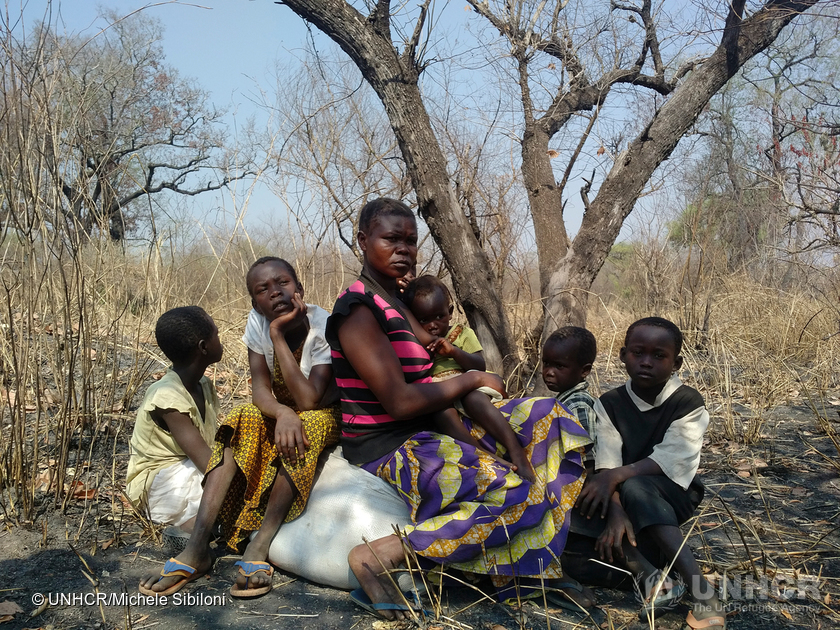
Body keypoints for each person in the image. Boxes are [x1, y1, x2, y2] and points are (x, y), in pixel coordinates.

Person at [325, 197, 593, 620]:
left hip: (432, 419)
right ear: (362, 240)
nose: (404, 249)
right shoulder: (357, 308)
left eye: (411, 241)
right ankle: (379, 556)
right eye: (390, 239)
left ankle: (528, 560)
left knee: (552, 418)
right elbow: (399, 401)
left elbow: (434, 367)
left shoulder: (396, 299)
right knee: (514, 489)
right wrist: (470, 379)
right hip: (390, 441)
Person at [139, 257, 340, 599]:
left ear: (300, 289)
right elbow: (261, 390)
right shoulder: (257, 322)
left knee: (310, 422)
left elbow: (309, 400)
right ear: (254, 303)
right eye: (263, 289)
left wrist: (278, 334)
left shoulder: (323, 325)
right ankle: (198, 546)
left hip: (324, 412)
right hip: (284, 412)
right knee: (242, 416)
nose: (275, 292)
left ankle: (260, 543)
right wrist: (280, 412)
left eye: (283, 283)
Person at [574, 317, 724, 629]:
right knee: (571, 518)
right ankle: (654, 576)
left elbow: (671, 460)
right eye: (637, 353)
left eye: (659, 356)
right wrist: (615, 513)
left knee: (637, 486)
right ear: (622, 354)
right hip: (620, 498)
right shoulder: (610, 403)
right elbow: (605, 465)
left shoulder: (687, 401)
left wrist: (616, 478)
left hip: (670, 495)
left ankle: (702, 592)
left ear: (676, 362)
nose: (646, 362)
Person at [403, 274, 534, 481]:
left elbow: (479, 364)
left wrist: (454, 352)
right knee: (441, 413)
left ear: (450, 312)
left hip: (469, 384)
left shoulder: (460, 333)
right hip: (441, 391)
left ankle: (516, 450)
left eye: (439, 316)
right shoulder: (417, 341)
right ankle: (485, 455)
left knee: (474, 399)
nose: (433, 325)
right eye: (423, 320)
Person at [126, 306, 223, 532]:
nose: (220, 339)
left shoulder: (204, 385)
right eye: (216, 334)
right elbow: (208, 463)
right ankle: (191, 529)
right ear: (203, 347)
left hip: (191, 468)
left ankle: (208, 525)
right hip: (161, 485)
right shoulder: (167, 396)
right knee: (229, 489)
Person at [542, 326, 598, 473]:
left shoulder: (577, 405)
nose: (549, 372)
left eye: (559, 366)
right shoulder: (564, 400)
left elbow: (588, 458)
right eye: (546, 364)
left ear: (584, 370)